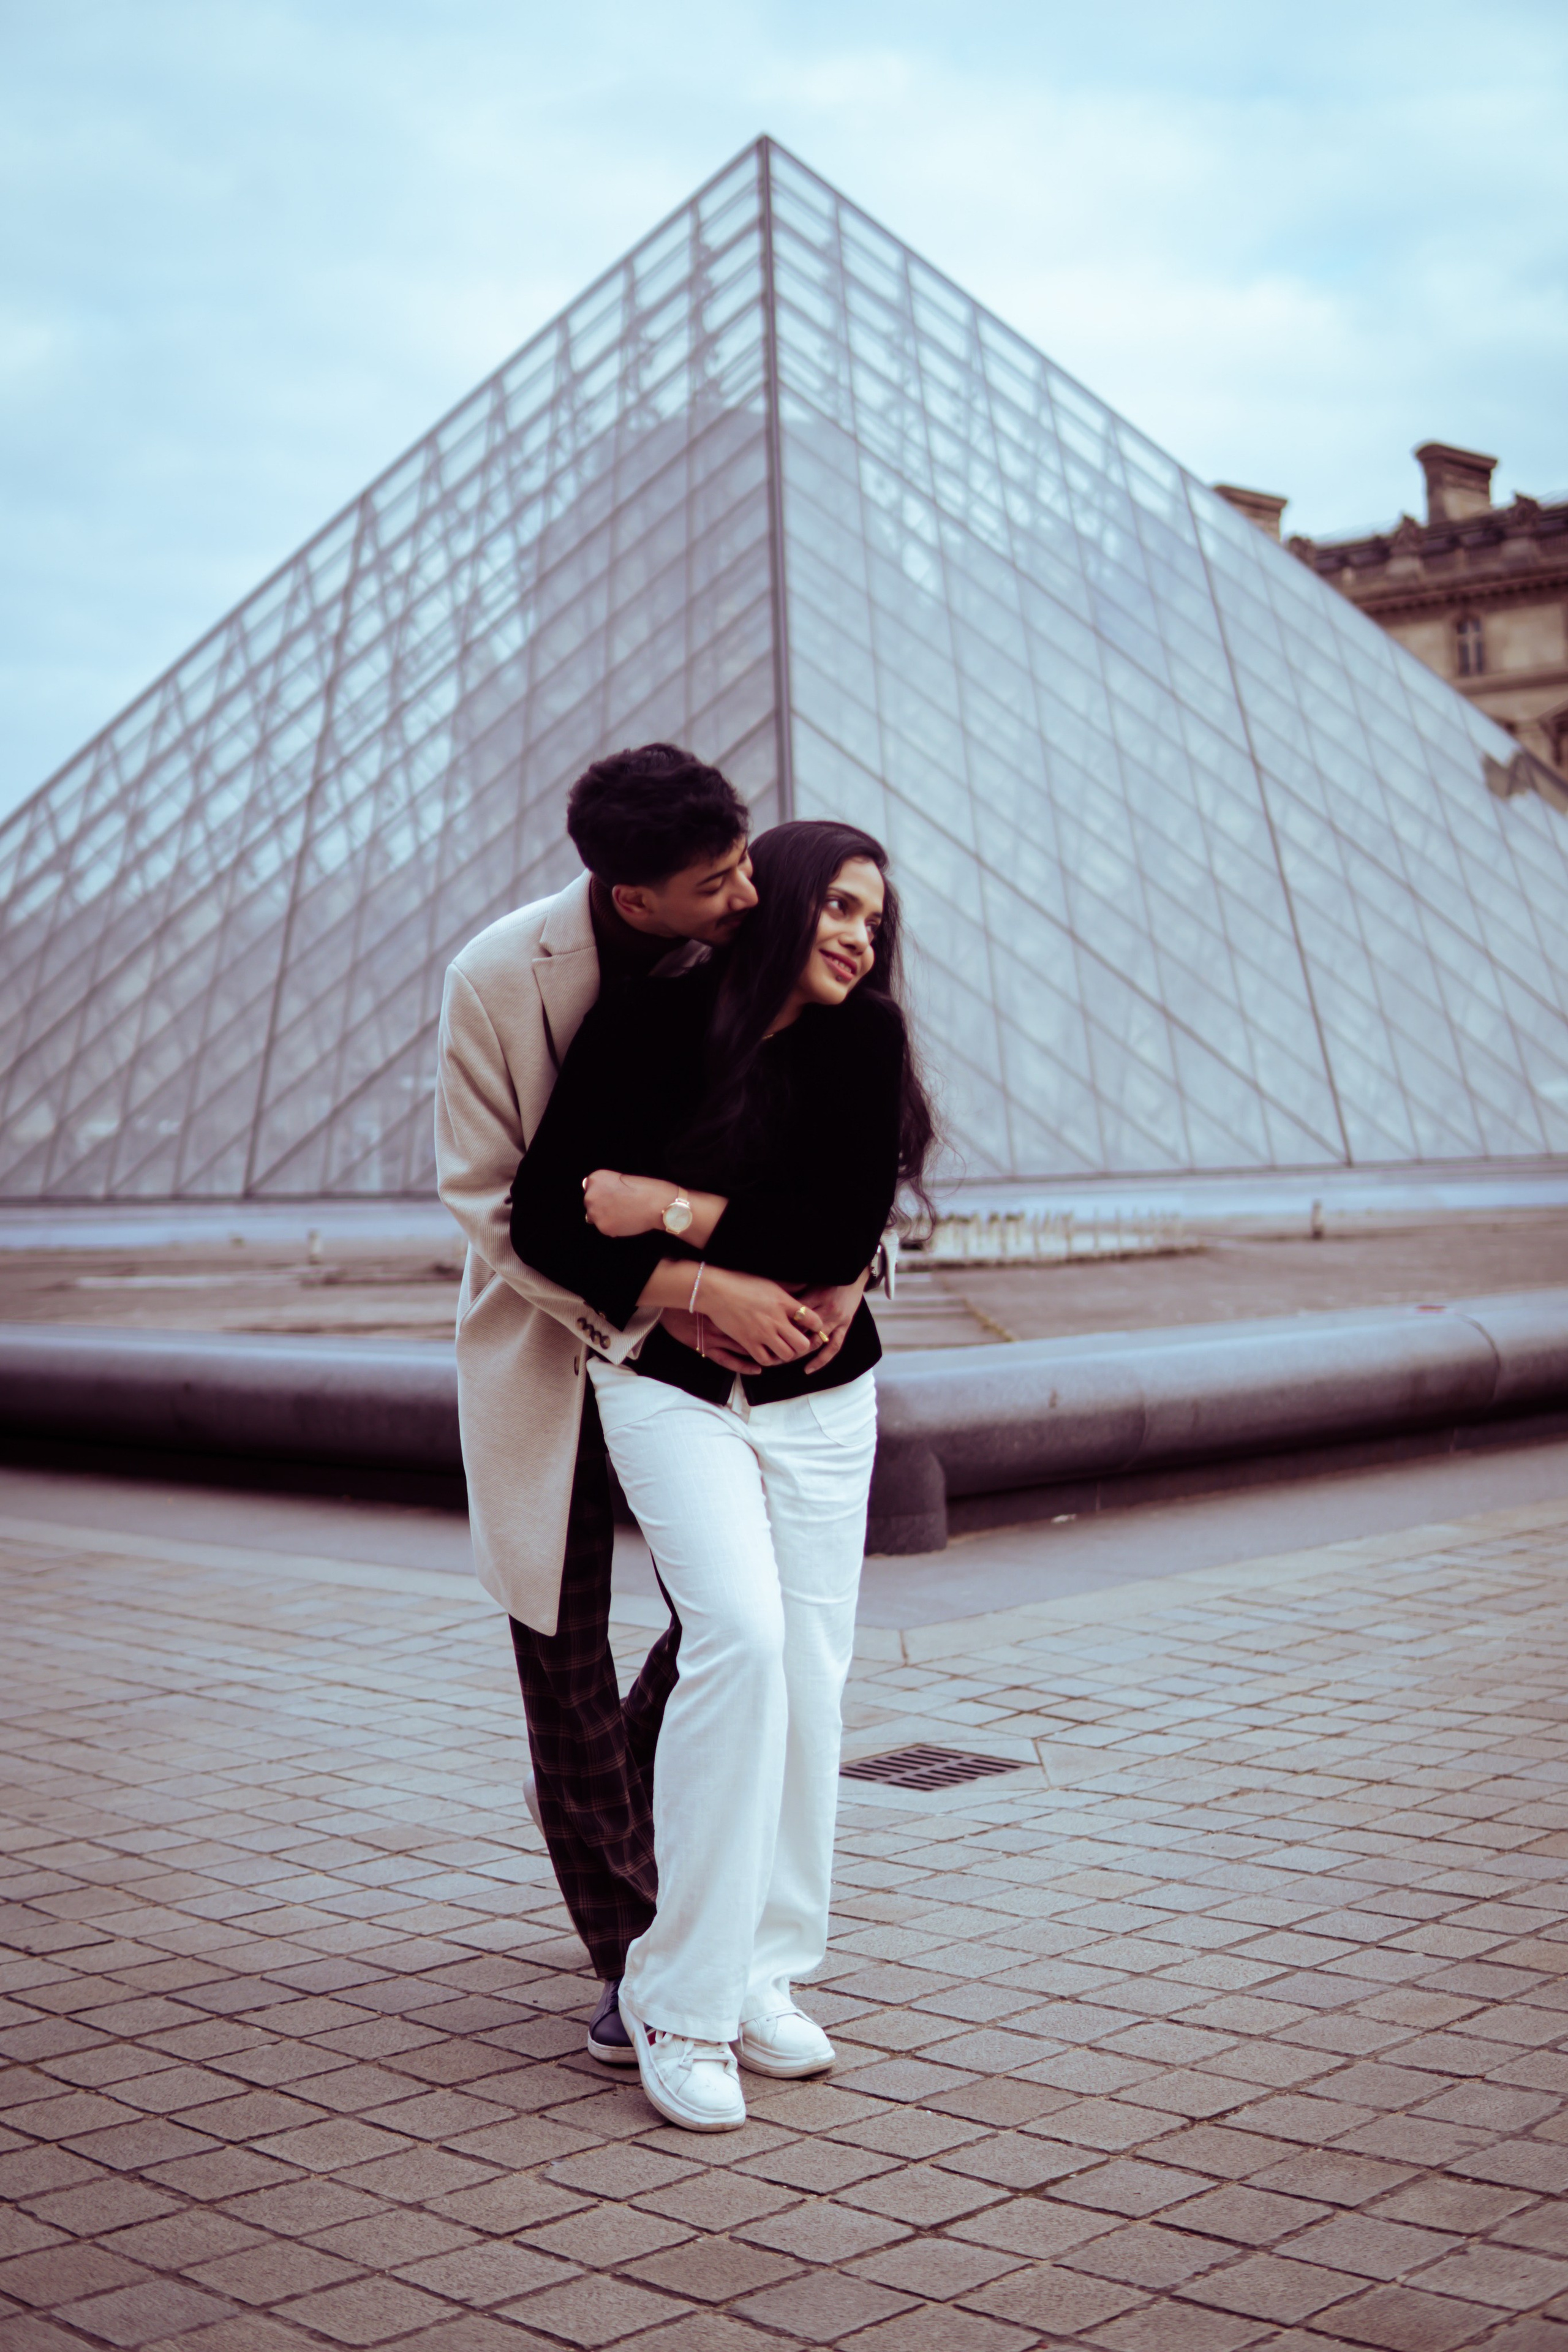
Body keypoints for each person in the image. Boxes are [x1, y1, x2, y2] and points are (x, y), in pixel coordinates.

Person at [434, 747, 867, 2067]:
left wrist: (839, 1269)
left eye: (744, 864)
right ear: (633, 900)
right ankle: (639, 1965)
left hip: (704, 1361)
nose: (751, 895)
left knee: (730, 1630)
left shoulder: (747, 956)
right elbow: (489, 1201)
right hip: (555, 1345)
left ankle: (606, 1804)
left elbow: (832, 1137)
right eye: (716, 881)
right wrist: (675, 1294)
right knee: (561, 1647)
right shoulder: (499, 978)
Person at [508, 819, 937, 2130]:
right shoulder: (649, 1021)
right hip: (667, 1387)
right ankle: (676, 2001)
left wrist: (670, 1211)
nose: (863, 937)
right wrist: (698, 1285)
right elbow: (544, 1215)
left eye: (878, 918)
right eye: (841, 908)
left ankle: (765, 1970)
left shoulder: (865, 1040)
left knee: (811, 1674)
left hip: (821, 1398)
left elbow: (836, 1223)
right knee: (740, 1644)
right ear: (785, 900)